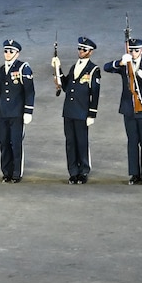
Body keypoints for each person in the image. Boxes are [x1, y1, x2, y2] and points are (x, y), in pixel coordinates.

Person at [107, 37, 142, 184]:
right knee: (132, 142)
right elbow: (107, 67)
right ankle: (134, 173)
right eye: (131, 50)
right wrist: (120, 62)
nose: (133, 53)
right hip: (129, 109)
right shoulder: (125, 65)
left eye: (136, 51)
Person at [0, 38, 35, 182]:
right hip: (3, 113)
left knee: (16, 144)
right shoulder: (0, 71)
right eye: (5, 51)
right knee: (4, 143)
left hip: (17, 114)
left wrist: (28, 111)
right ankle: (6, 172)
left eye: (11, 51)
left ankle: (17, 173)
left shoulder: (23, 68)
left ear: (17, 54)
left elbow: (29, 91)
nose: (7, 53)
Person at [51, 36, 101, 183]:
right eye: (79, 48)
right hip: (69, 111)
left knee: (81, 142)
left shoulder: (93, 70)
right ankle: (73, 171)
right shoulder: (74, 67)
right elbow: (66, 86)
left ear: (90, 52)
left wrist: (92, 113)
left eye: (84, 49)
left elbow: (95, 94)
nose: (81, 51)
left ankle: (83, 171)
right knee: (70, 143)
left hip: (82, 112)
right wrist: (57, 68)